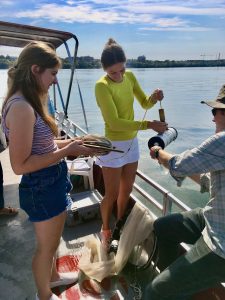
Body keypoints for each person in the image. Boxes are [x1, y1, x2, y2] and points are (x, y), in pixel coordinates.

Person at [1, 41, 98, 300]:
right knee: (45, 248)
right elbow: (20, 165)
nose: (55, 81)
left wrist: (78, 143)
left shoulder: (29, 101)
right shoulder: (21, 107)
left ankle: (53, 278)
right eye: (53, 74)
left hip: (53, 180)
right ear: (35, 69)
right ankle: (44, 295)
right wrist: (68, 151)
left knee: (53, 242)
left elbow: (45, 145)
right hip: (41, 185)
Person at [146, 84, 225, 300]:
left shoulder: (223, 140)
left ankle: (164, 290)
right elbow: (208, 181)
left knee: (153, 292)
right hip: (215, 217)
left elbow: (178, 165)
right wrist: (181, 164)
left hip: (221, 244)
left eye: (214, 112)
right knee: (163, 227)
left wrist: (157, 151)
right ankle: (175, 287)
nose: (212, 119)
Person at [95, 38, 167, 250]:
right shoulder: (102, 86)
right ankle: (105, 230)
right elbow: (114, 123)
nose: (119, 76)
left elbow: (144, 103)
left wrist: (154, 97)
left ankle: (119, 227)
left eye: (122, 70)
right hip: (114, 146)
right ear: (105, 70)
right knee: (111, 194)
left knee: (126, 192)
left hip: (132, 145)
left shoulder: (130, 77)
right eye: (113, 73)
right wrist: (149, 124)